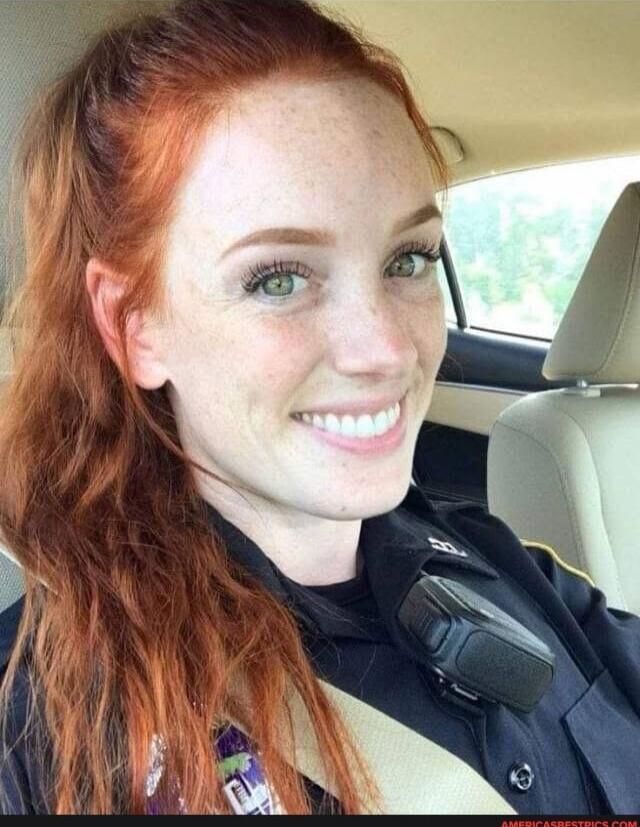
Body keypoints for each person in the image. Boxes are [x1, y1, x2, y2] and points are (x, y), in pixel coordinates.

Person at [0, 0, 639, 816]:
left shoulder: (500, 561)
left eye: (408, 258)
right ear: (134, 327)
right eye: (278, 279)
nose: (384, 348)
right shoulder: (54, 729)